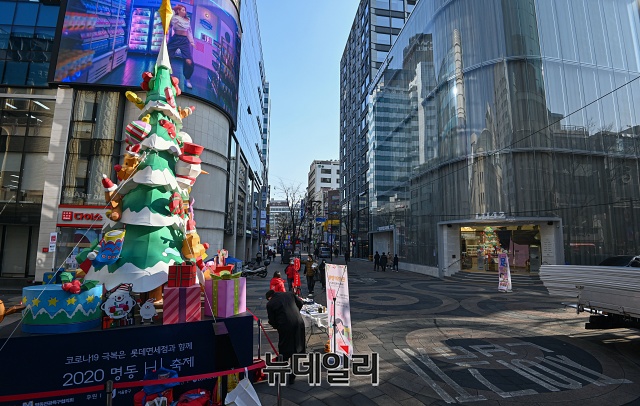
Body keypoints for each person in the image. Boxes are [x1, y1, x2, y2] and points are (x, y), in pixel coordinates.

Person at [265, 290, 306, 384]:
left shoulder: (270, 304)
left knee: (284, 349)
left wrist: (277, 325)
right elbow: (300, 302)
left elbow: (272, 320)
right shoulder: (289, 294)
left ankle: (281, 373)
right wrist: (295, 313)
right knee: (296, 347)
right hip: (298, 322)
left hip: (285, 326)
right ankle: (292, 374)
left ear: (269, 298)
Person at [168, 5, 195, 89]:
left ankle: (187, 79)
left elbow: (189, 32)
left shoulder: (187, 20)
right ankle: (165, 76)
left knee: (189, 62)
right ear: (178, 11)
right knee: (166, 57)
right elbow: (168, 22)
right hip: (175, 39)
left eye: (185, 10)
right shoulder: (174, 18)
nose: (185, 12)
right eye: (183, 10)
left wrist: (192, 42)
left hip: (184, 41)